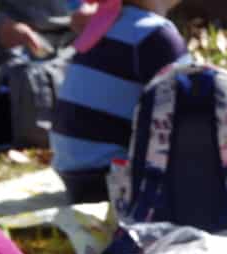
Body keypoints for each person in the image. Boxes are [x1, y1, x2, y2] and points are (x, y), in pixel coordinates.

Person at [49, 0, 187, 203]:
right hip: (115, 177)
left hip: (75, 175)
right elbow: (188, 106)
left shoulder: (103, 24)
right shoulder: (155, 33)